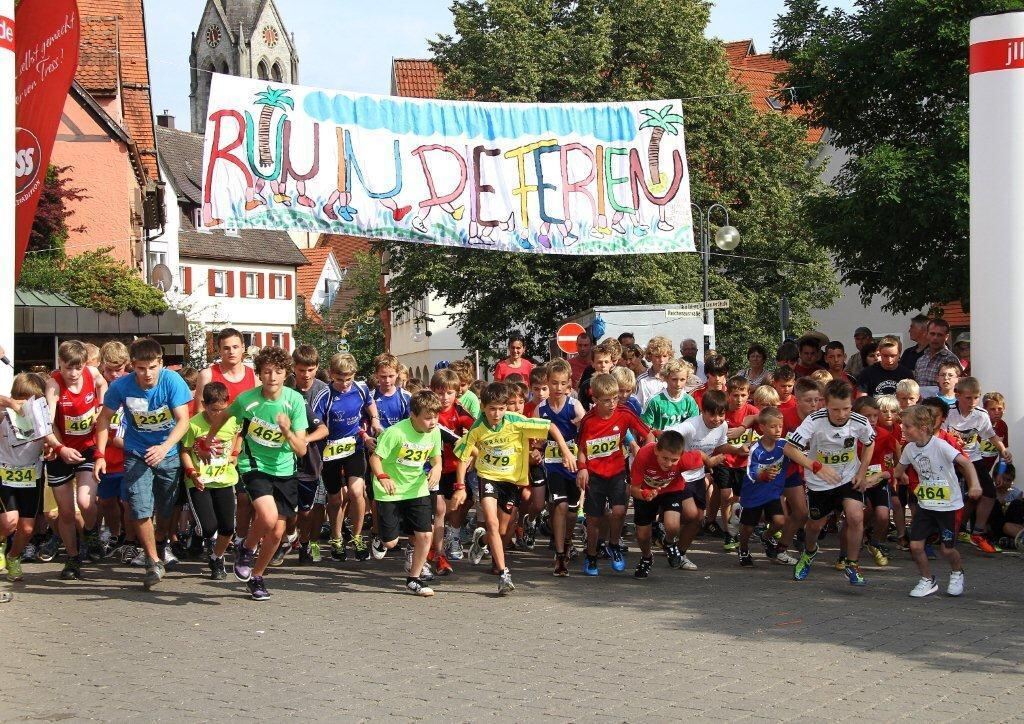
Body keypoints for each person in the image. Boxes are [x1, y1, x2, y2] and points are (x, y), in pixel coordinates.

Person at [207, 346, 309, 600]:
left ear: (286, 374)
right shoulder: (247, 400)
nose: (272, 377)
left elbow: (302, 450)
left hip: (285, 470)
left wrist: (286, 431)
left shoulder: (294, 401)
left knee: (276, 532)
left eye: (278, 372)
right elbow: (223, 416)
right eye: (267, 372)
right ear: (260, 374)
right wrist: (209, 438)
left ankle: (257, 576)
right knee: (267, 514)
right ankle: (246, 547)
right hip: (254, 466)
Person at [456, 382, 576, 594]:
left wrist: (565, 451)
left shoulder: (516, 421)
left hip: (511, 481)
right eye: (492, 408)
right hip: (488, 477)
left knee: (501, 531)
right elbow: (463, 457)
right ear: (483, 407)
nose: (496, 413)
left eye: (501, 408)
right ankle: (504, 574)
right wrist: (460, 486)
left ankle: (481, 540)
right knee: (492, 523)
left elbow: (550, 427)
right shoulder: (477, 427)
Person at [94, 338, 192, 590]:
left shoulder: (172, 381)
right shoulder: (121, 386)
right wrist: (100, 454)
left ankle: (160, 542)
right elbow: (104, 419)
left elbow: (183, 421)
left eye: (152, 367)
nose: (147, 374)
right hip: (137, 453)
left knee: (166, 507)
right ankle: (152, 560)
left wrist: (165, 447)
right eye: (140, 368)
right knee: (138, 507)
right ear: (132, 366)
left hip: (167, 453)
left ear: (160, 363)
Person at [784, 380, 876, 586]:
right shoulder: (814, 420)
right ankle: (809, 552)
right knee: (815, 525)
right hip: (820, 481)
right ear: (825, 404)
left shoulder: (859, 421)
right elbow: (789, 449)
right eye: (835, 409)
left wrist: (862, 472)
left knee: (855, 516)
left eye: (846, 408)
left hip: (848, 476)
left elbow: (869, 443)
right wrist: (816, 466)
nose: (842, 414)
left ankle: (852, 564)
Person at [896, 405, 982, 597]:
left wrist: (974, 484)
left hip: (949, 507)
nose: (903, 429)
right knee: (916, 546)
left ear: (923, 428)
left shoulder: (940, 445)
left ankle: (957, 572)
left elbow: (966, 463)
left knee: (947, 549)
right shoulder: (909, 449)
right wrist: (897, 476)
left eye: (907, 426)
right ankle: (928, 579)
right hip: (926, 505)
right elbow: (899, 469)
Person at [577, 373, 654, 575]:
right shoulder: (588, 421)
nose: (612, 404)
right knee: (594, 519)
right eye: (606, 400)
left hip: (617, 472)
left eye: (615, 398)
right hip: (594, 475)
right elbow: (582, 449)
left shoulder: (624, 413)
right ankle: (591, 555)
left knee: (619, 512)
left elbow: (648, 433)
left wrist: (649, 454)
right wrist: (582, 469)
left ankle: (614, 545)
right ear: (594, 400)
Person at [368, 390, 443, 597]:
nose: (433, 422)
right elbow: (375, 459)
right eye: (428, 418)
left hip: (416, 488)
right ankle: (379, 537)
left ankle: (414, 579)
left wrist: (436, 468)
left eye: (435, 416)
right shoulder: (395, 433)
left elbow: (436, 458)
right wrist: (383, 476)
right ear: (413, 415)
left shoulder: (434, 432)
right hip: (389, 490)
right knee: (391, 543)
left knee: (425, 534)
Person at [43, 340, 108, 577]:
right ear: (59, 363)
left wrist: (101, 406)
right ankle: (72, 558)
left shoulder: (92, 373)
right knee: (67, 512)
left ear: (84, 365)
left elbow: (104, 386)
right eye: (67, 367)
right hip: (61, 450)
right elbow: (47, 423)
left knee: (86, 500)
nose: (72, 373)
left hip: (87, 448)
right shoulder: (53, 384)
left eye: (77, 367)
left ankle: (90, 531)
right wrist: (59, 448)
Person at [195, 329, 258, 552]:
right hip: (212, 445)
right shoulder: (208, 374)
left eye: (235, 347)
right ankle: (204, 534)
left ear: (243, 348)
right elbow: (198, 412)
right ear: (218, 350)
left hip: (242, 444)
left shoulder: (253, 376)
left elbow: (256, 414)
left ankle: (239, 539)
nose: (231, 352)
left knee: (244, 496)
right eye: (226, 348)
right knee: (211, 494)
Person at [666, 390, 737, 567]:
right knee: (690, 514)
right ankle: (665, 533)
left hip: (698, 476)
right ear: (702, 411)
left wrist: (737, 449)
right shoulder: (690, 426)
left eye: (721, 414)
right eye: (712, 414)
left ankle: (679, 554)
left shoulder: (723, 426)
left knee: (698, 520)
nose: (717, 419)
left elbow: (720, 446)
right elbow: (667, 435)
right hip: (680, 476)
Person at [944, 377, 1013, 554]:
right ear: (957, 395)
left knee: (988, 492)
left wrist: (1003, 450)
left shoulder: (981, 414)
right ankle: (944, 531)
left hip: (972, 457)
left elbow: (991, 435)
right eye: (968, 398)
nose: (973, 402)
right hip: (950, 458)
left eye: (976, 397)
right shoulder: (949, 412)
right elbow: (939, 435)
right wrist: (953, 442)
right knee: (952, 496)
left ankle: (978, 532)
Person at [180, 382, 241, 580]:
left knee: (227, 528)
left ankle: (217, 558)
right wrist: (191, 472)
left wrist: (234, 453)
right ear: (204, 404)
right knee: (208, 527)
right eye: (213, 410)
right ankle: (198, 535)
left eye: (222, 410)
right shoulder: (194, 424)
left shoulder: (231, 420)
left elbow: (239, 433)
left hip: (224, 479)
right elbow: (185, 451)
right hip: (200, 482)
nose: (217, 415)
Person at [629, 431, 705, 577]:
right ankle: (646, 557)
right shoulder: (644, 455)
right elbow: (633, 489)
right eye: (665, 458)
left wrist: (712, 461)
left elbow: (700, 455)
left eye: (674, 460)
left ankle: (668, 542)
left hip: (672, 489)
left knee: (673, 525)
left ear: (681, 455)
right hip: (646, 491)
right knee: (643, 535)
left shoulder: (685, 459)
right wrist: (645, 494)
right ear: (656, 450)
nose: (668, 464)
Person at [537, 359, 586, 575]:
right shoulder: (541, 409)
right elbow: (534, 437)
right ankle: (559, 556)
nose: (558, 388)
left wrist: (580, 425)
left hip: (573, 464)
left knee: (573, 511)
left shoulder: (574, 405)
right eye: (554, 383)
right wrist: (537, 447)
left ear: (569, 385)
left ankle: (566, 542)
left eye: (562, 383)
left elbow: (586, 429)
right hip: (553, 464)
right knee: (561, 505)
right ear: (547, 382)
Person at [0, 373, 50, 583]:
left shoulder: (42, 416)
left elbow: (51, 437)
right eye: (22, 398)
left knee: (27, 528)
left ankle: (13, 557)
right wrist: (11, 403)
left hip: (31, 475)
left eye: (31, 400)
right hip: (4, 473)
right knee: (9, 522)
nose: (26, 405)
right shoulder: (3, 414)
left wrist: (52, 448)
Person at [737, 407, 800, 566]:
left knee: (780, 521)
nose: (778, 430)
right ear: (762, 428)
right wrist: (763, 475)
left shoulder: (784, 445)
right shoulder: (756, 449)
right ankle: (743, 548)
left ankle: (766, 536)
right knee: (748, 528)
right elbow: (751, 473)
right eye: (773, 426)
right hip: (753, 494)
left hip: (772, 492)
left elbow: (799, 455)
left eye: (780, 426)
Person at [430, 368, 476, 572]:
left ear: (457, 393)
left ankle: (453, 536)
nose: (444, 397)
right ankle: (437, 554)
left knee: (457, 506)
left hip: (455, 467)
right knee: (439, 510)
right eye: (440, 392)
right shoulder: (427, 409)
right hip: (432, 468)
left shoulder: (460, 411)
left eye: (449, 392)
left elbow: (477, 432)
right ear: (432, 391)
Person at [289, 345, 330, 564]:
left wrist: (306, 439)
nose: (306, 375)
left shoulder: (324, 389)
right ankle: (290, 538)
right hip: (289, 456)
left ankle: (311, 544)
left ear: (316, 368)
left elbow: (326, 426)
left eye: (311, 370)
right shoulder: (285, 386)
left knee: (316, 507)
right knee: (289, 508)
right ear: (294, 368)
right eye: (301, 370)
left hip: (318, 455)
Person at [715, 376, 762, 552]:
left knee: (740, 499)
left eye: (743, 395)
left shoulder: (751, 410)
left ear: (748, 394)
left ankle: (734, 526)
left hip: (744, 463)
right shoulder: (722, 411)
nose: (739, 399)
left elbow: (763, 426)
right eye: (735, 395)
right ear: (728, 394)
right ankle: (728, 532)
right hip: (725, 459)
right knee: (726, 495)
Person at [641, 359, 699, 430]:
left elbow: (695, 427)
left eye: (682, 379)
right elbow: (644, 428)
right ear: (666, 378)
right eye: (674, 379)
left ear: (687, 379)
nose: (678, 384)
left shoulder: (689, 401)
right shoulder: (655, 401)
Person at [913, 319, 961, 390]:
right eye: (932, 334)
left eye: (939, 335)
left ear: (946, 337)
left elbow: (956, 388)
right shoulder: (921, 360)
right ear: (927, 334)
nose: (935, 338)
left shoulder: (950, 359)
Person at [370, 353, 412, 430]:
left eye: (391, 376)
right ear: (376, 374)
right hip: (377, 440)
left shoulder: (406, 397)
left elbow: (411, 423)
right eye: (383, 376)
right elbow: (362, 421)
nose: (387, 380)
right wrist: (366, 437)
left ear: (397, 374)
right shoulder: (370, 397)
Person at [635, 336, 673, 411]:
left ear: (669, 356)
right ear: (650, 356)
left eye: (665, 356)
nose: (661, 360)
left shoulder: (674, 377)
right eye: (657, 356)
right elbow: (640, 406)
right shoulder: (642, 380)